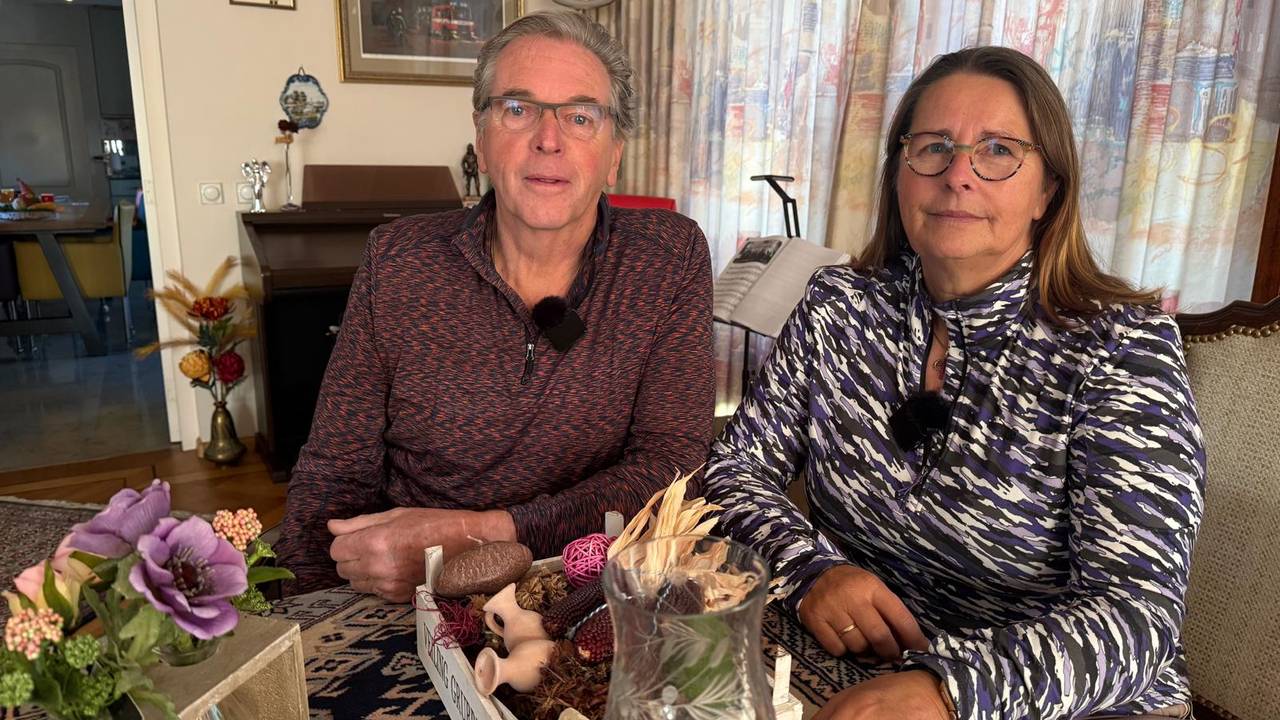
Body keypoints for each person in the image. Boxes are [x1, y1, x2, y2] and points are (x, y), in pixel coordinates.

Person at [704, 46, 1204, 720]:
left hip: (1063, 703)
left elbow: (1138, 617)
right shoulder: (839, 305)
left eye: (998, 150)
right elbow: (735, 468)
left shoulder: (1121, 349)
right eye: (933, 146)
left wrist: (948, 690)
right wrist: (809, 570)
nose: (958, 175)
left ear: (1047, 190)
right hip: (850, 666)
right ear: (900, 172)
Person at [277, 12, 714, 602]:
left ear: (614, 155)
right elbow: (333, 472)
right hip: (405, 594)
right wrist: (300, 623)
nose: (549, 139)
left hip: (578, 584)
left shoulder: (668, 258)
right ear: (481, 140)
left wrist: (478, 538)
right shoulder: (398, 259)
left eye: (581, 116)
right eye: (518, 109)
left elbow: (671, 471)